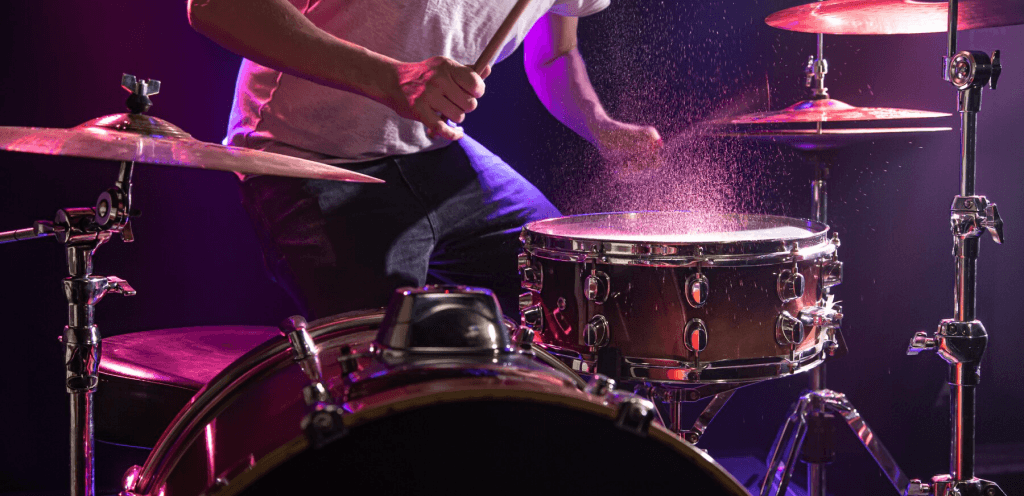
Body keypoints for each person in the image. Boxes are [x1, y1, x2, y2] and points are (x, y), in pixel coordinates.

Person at [187, 0, 661, 320]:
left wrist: (600, 126)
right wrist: (393, 79)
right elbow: (216, 7)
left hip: (435, 153)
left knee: (581, 301)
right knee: (385, 378)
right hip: (306, 153)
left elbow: (555, 52)